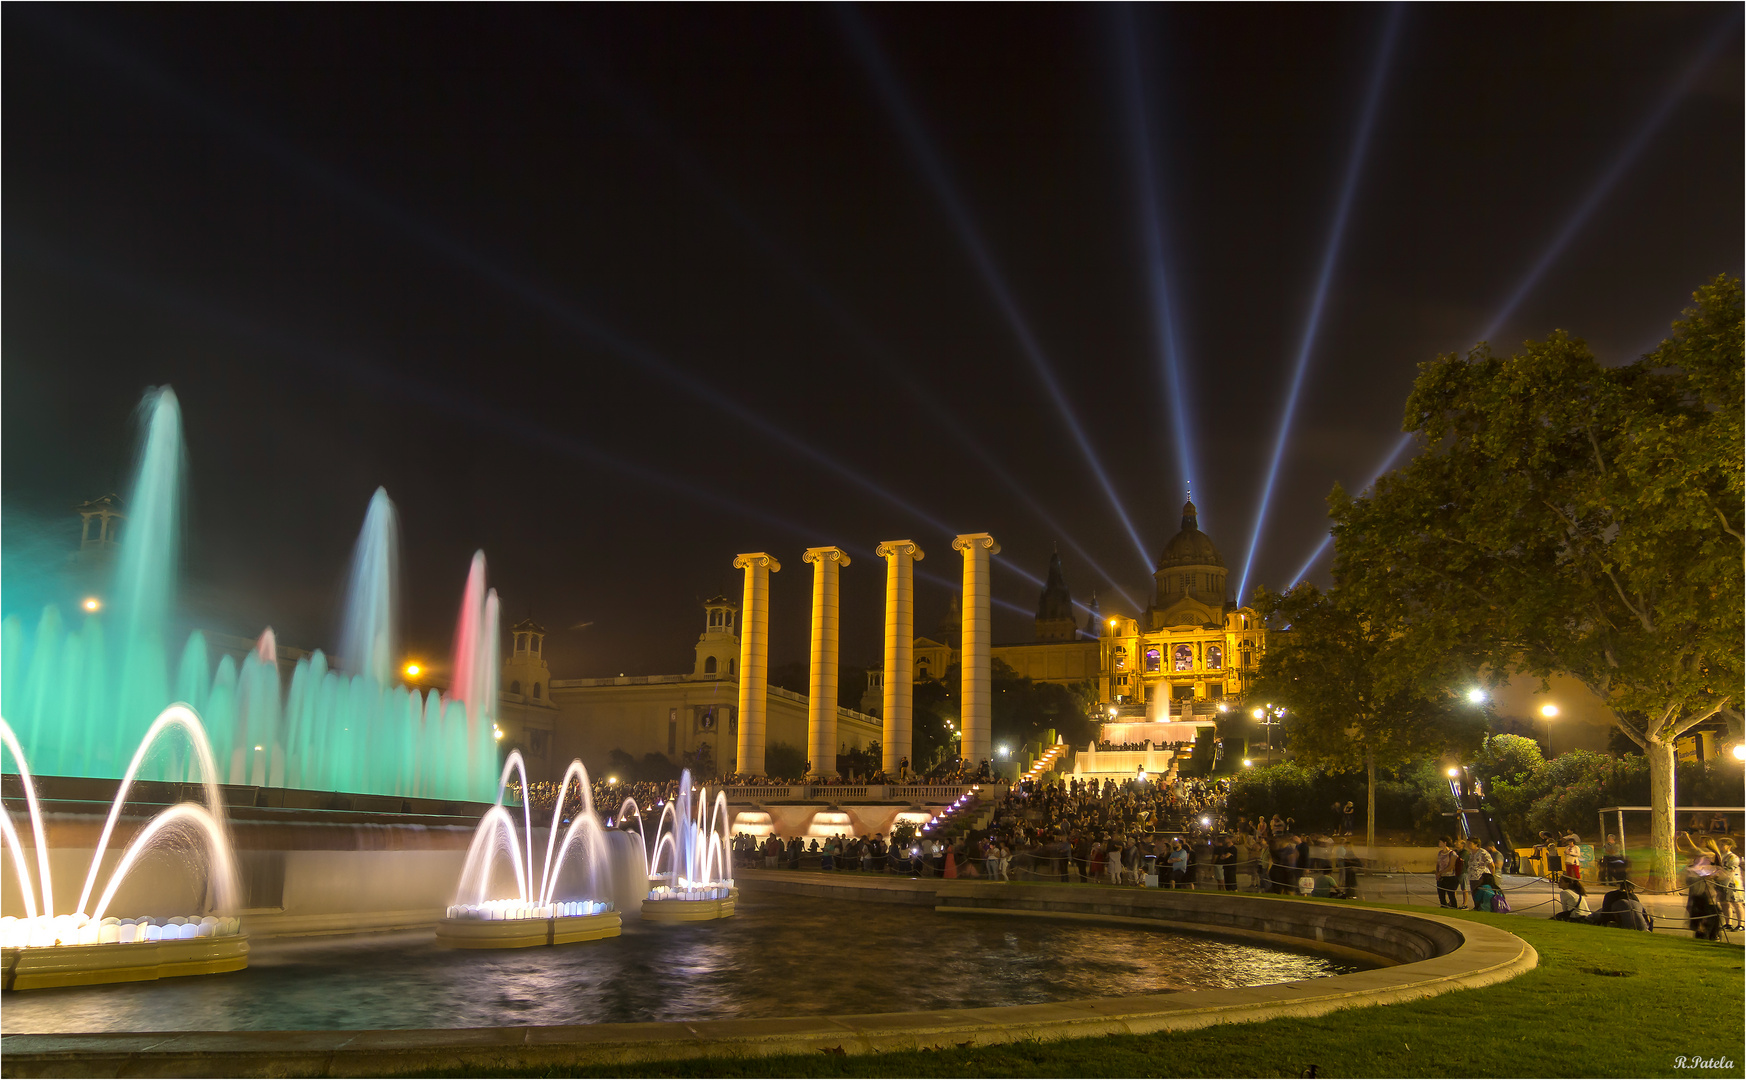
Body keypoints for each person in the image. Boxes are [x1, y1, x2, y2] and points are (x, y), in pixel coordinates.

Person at [1715, 838, 1742, 931]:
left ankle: (1740, 924)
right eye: (1719, 844)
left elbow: (1728, 870)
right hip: (1722, 883)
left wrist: (1715, 875)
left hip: (1733, 883)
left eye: (1723, 845)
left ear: (1729, 846)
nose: (1720, 846)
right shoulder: (1719, 855)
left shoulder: (1733, 857)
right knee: (1724, 903)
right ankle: (1728, 923)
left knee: (1737, 904)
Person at [1435, 837, 1461, 909]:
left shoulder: (1452, 854)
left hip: (1450, 877)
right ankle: (1444, 907)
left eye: (1440, 842)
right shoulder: (1440, 853)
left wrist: (1440, 872)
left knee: (1451, 894)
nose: (1439, 843)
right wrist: (1437, 873)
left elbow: (1451, 866)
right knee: (1441, 894)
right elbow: (1438, 864)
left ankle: (1454, 907)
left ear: (1445, 843)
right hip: (1441, 877)